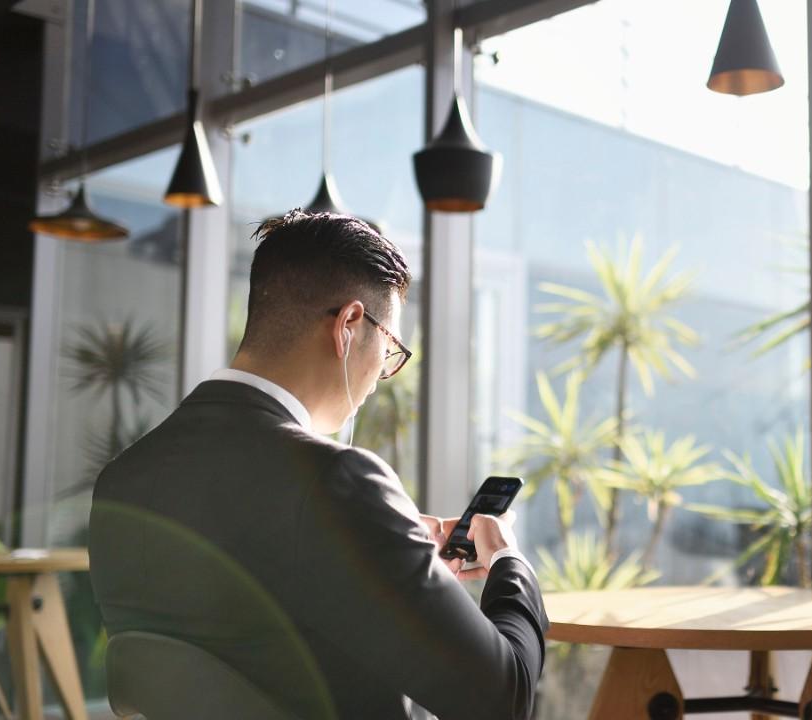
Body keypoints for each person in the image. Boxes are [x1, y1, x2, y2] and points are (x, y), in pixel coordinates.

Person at [89, 210, 547, 720]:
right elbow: (505, 698)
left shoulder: (123, 478)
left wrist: (388, 558)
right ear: (350, 325)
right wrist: (509, 560)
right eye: (391, 346)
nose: (382, 376)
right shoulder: (337, 480)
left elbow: (250, 638)